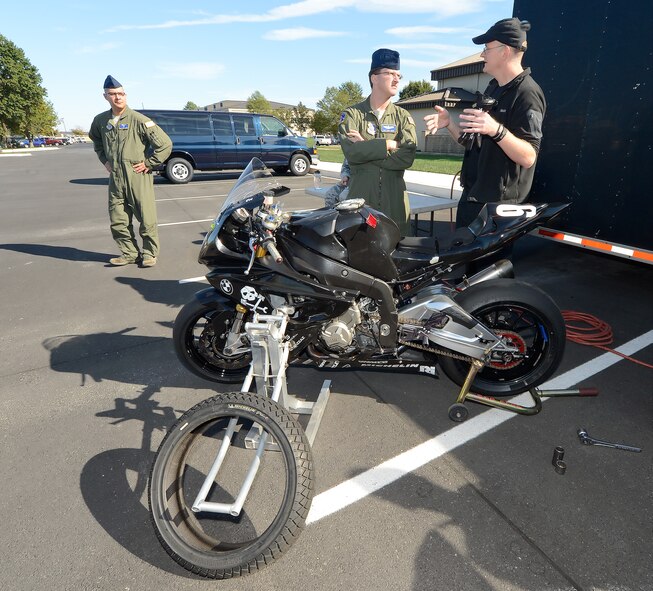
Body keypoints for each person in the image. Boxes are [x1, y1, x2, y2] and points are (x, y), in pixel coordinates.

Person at [424, 18, 546, 229]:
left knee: (489, 264)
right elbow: (474, 142)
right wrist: (450, 124)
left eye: (486, 48)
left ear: (505, 51)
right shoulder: (493, 88)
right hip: (473, 199)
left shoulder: (527, 94)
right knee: (464, 260)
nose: (482, 54)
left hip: (498, 209)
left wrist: (496, 130)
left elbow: (528, 157)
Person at [89, 75, 172, 267]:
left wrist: (149, 163)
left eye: (121, 94)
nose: (118, 98)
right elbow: (97, 141)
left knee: (146, 217)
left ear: (125, 95)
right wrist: (105, 161)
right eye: (113, 94)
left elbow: (165, 145)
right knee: (118, 218)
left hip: (137, 175)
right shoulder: (101, 121)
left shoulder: (139, 120)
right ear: (105, 96)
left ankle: (150, 254)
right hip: (116, 177)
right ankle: (129, 253)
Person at [338, 49, 417, 235]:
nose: (396, 79)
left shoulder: (402, 117)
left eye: (398, 75)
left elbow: (407, 157)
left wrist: (366, 145)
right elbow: (352, 154)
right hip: (361, 200)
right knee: (360, 254)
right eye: (390, 73)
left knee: (397, 255)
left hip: (395, 202)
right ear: (374, 77)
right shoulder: (352, 115)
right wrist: (388, 145)